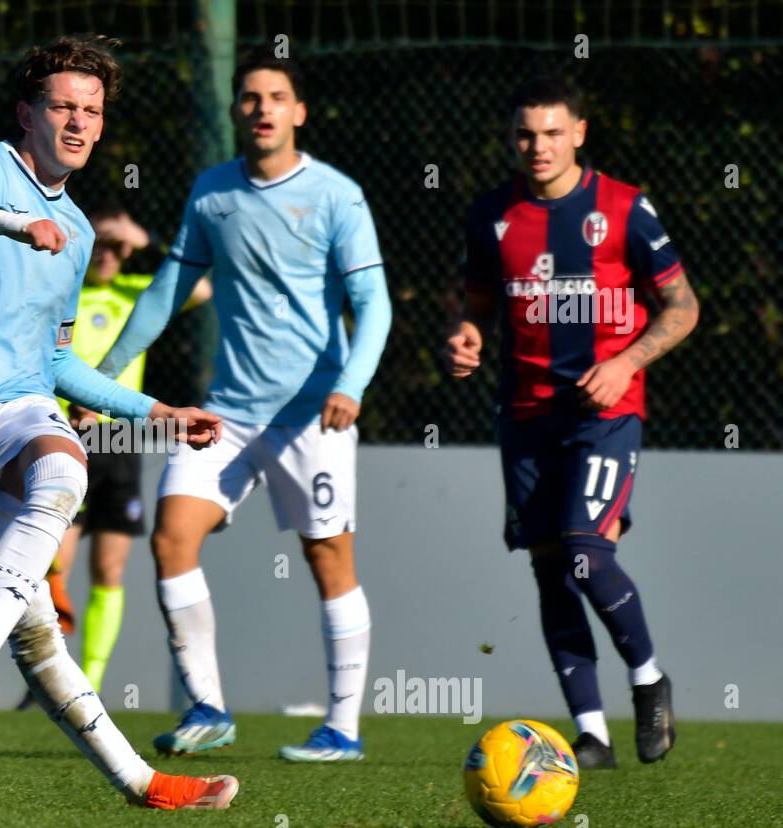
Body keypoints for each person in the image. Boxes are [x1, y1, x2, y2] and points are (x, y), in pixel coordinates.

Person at [0, 35, 237, 810]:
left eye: (93, 111)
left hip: (17, 403)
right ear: (26, 113)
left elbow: (58, 362)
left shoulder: (77, 232)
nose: (78, 122)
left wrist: (158, 412)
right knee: (38, 630)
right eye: (62, 107)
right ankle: (137, 780)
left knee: (65, 465)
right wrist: (8, 222)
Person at [98, 52, 393, 762]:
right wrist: (102, 381)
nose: (262, 108)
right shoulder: (211, 193)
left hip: (312, 415)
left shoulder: (336, 195)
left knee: (329, 559)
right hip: (225, 415)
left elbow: (373, 305)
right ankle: (207, 707)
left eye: (276, 97)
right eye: (250, 98)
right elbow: (167, 293)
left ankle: (343, 730)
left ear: (299, 112)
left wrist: (350, 385)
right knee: (171, 538)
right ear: (235, 112)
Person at [445, 75, 697, 768]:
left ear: (580, 133)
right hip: (525, 418)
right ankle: (592, 735)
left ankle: (648, 680)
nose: (538, 146)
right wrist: (465, 334)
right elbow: (475, 304)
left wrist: (626, 362)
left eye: (553, 132)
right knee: (551, 570)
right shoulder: (491, 215)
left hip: (605, 413)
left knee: (588, 553)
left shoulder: (624, 208)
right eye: (526, 133)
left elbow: (682, 307)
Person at [30, 205, 212, 701]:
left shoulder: (136, 294)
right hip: (70, 434)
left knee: (110, 570)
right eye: (100, 245)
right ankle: (48, 672)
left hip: (121, 441)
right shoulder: (65, 294)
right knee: (53, 563)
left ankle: (88, 681)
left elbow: (200, 288)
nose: (108, 255)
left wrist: (148, 238)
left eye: (117, 247)